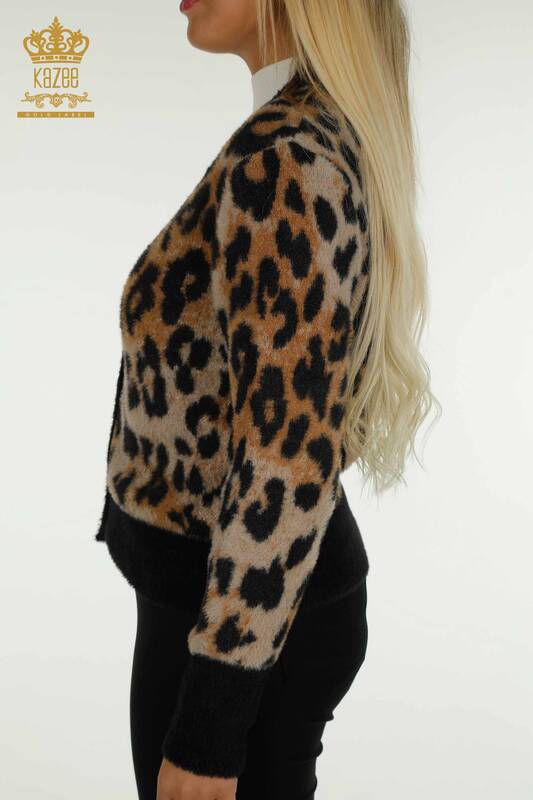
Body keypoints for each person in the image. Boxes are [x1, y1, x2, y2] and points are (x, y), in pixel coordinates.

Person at [94, 1, 439, 798]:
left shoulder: (285, 161)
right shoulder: (299, 137)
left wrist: (212, 726)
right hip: (247, 606)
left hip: (241, 621)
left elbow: (285, 454)